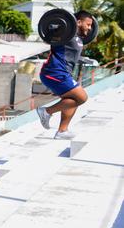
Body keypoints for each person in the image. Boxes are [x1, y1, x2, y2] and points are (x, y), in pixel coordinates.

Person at [36, 10, 94, 140]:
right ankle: (46, 111)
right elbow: (52, 31)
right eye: (88, 24)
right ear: (78, 22)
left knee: (73, 101)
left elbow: (70, 54)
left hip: (63, 73)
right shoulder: (65, 33)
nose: (90, 28)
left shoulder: (79, 38)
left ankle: (62, 131)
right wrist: (59, 25)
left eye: (91, 25)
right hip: (54, 72)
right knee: (82, 97)